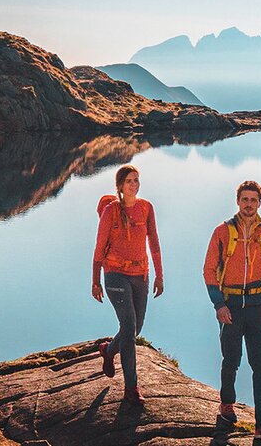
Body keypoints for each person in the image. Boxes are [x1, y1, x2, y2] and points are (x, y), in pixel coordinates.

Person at [202, 180, 261, 436]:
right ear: (238, 201)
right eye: (245, 199)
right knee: (231, 360)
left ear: (259, 203)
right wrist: (219, 304)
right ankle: (226, 406)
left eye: (253, 200)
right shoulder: (222, 232)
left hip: (258, 304)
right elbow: (209, 271)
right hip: (231, 305)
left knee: (260, 364)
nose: (249, 204)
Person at [92, 164, 163, 403]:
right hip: (114, 274)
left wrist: (160, 275)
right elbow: (100, 246)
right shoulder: (111, 211)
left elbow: (153, 242)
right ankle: (131, 388)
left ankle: (108, 350)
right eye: (129, 181)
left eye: (136, 180)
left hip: (140, 274)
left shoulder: (146, 208)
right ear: (120, 186)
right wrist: (95, 280)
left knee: (135, 329)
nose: (134, 184)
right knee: (129, 324)